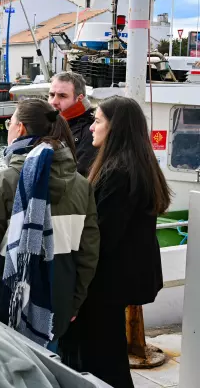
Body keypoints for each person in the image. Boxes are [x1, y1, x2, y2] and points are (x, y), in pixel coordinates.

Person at [0, 98, 99, 351]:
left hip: (0, 303)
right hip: (54, 306)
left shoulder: (2, 183)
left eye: (9, 123)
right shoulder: (81, 186)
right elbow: (88, 253)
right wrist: (73, 301)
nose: (8, 128)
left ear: (21, 129)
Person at [60, 96, 169, 388]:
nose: (91, 127)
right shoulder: (134, 166)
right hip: (119, 280)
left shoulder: (118, 173)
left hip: (107, 283)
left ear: (115, 128)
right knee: (108, 352)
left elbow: (101, 236)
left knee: (102, 358)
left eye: (97, 121)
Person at [48, 72, 96, 176]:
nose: (53, 102)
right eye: (51, 95)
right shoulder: (48, 124)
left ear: (79, 99)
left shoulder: (90, 132)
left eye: (62, 96)